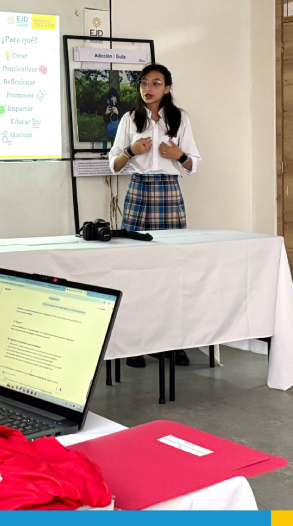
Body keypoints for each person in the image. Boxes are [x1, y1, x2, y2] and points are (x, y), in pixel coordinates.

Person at [107, 64, 200, 368]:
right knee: (135, 265)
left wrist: (179, 156)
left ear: (167, 88)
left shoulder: (179, 118)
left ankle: (170, 343)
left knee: (172, 265)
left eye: (156, 83)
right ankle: (135, 343)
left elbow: (193, 164)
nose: (148, 88)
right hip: (139, 190)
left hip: (169, 191)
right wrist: (131, 151)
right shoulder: (130, 118)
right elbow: (114, 164)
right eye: (144, 83)